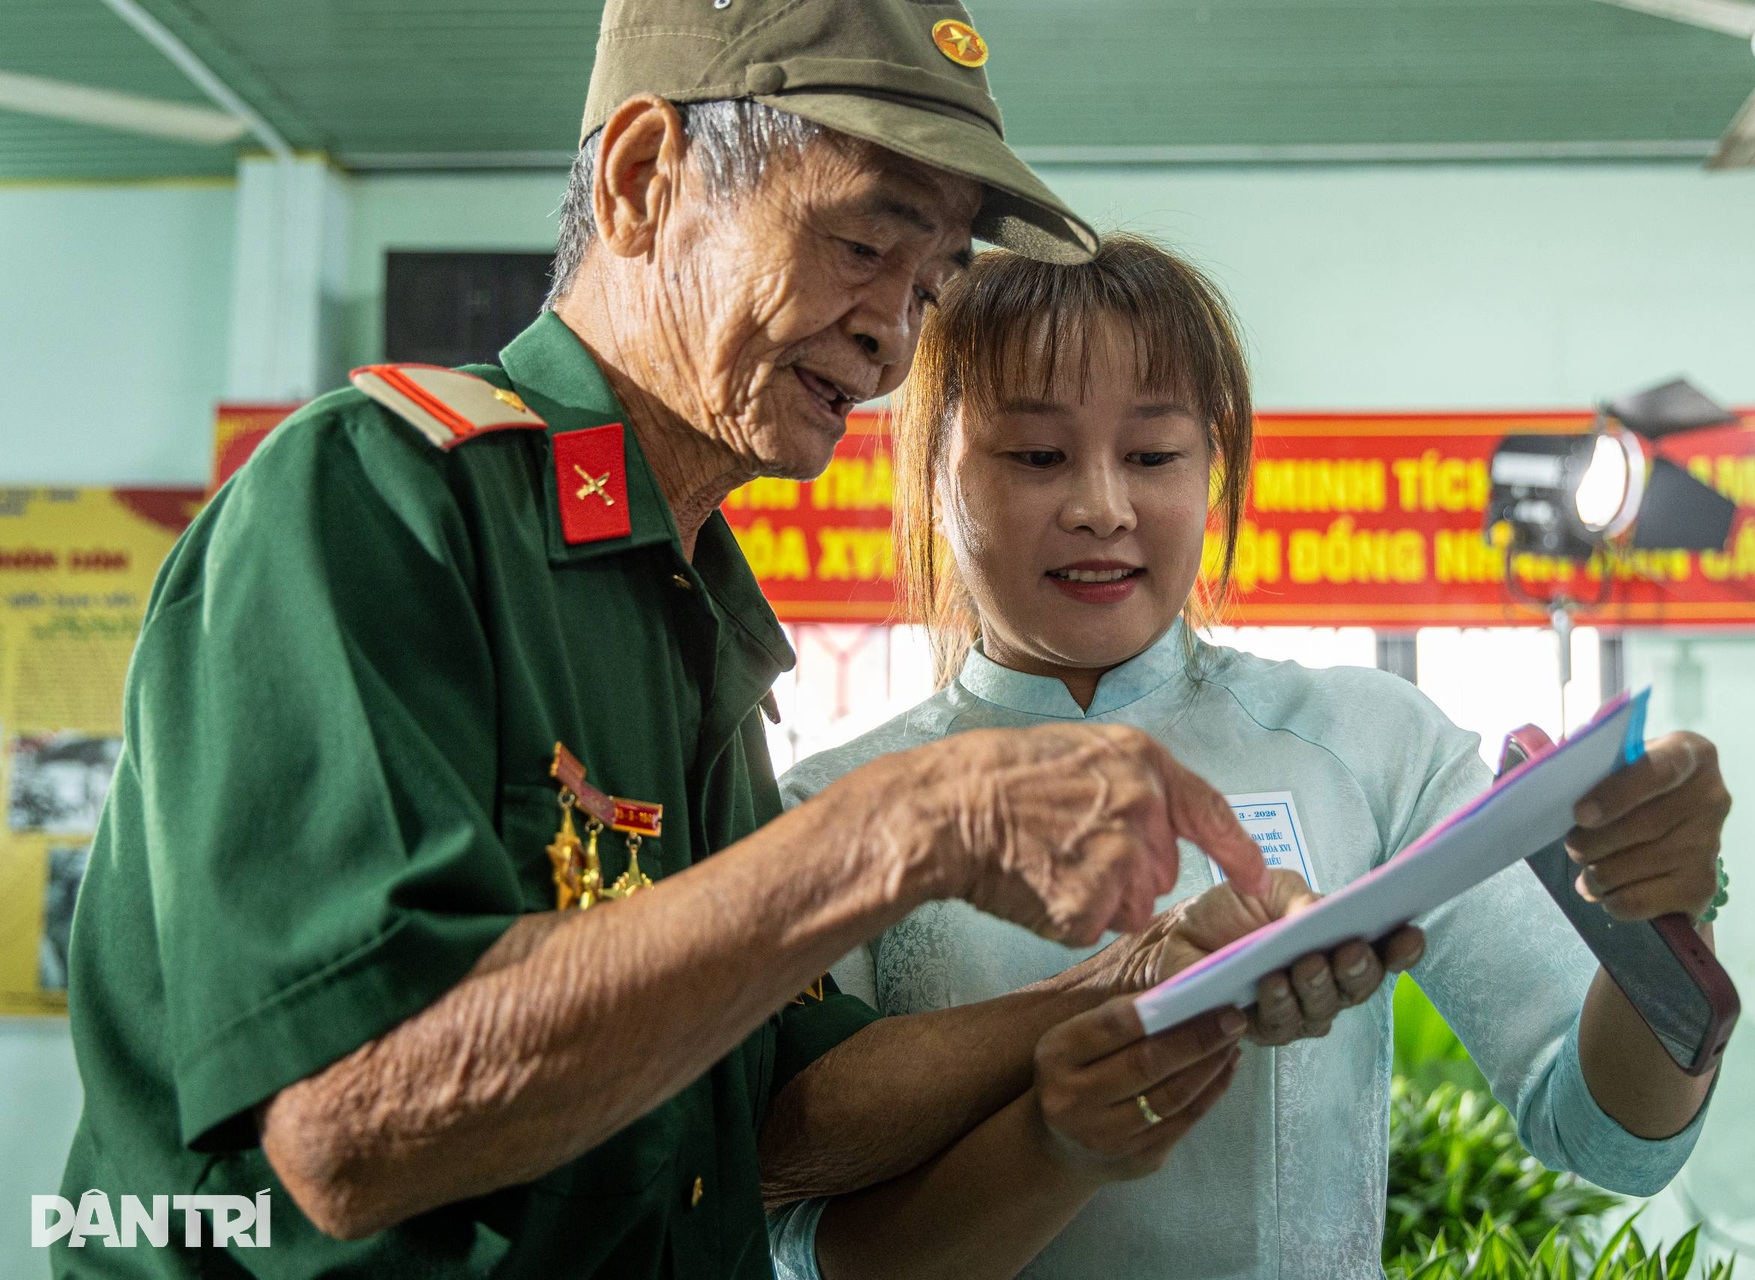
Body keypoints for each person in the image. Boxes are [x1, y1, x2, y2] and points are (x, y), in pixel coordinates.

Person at [55, 6, 1326, 1276]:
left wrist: (1122, 983)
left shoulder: (694, 609)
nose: (892, 339)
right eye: (862, 243)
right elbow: (346, 1124)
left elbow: (764, 1117)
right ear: (642, 179)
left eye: (928, 285)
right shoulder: (377, 503)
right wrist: (895, 831)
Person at [769, 235, 1735, 1279]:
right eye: (1036, 455)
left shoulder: (1373, 743)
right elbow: (800, 1230)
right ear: (933, 468)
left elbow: (1610, 1135)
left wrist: (1659, 916)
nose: (1102, 504)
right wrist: (1079, 1082)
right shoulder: (829, 806)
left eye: (1153, 455)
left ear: (1212, 464)